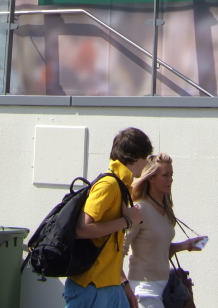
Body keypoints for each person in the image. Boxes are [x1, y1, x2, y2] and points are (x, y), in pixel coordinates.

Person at [68, 127, 154, 308]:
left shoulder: (122, 186)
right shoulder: (108, 185)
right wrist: (127, 221)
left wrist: (124, 285)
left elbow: (110, 248)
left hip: (111, 286)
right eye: (146, 157)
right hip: (91, 287)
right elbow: (81, 228)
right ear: (135, 157)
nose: (147, 163)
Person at [124, 154, 203, 308]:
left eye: (171, 175)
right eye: (165, 175)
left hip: (165, 288)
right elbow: (121, 247)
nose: (170, 180)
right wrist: (123, 284)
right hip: (144, 289)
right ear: (151, 178)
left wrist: (184, 245)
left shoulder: (165, 210)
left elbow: (159, 251)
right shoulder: (139, 209)